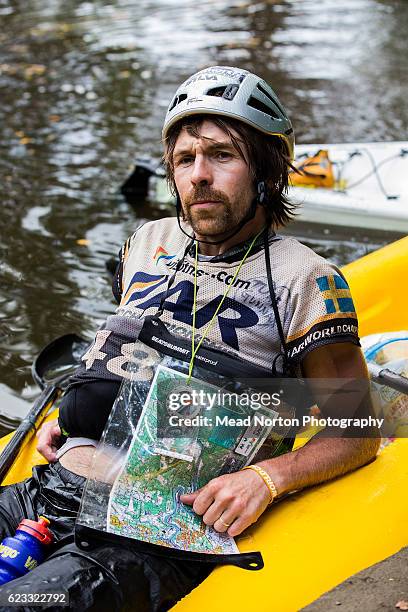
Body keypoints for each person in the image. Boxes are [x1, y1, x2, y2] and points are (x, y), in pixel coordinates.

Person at [0, 66, 379, 610]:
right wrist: (80, 408)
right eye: (184, 159)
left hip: (153, 531)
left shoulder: (307, 281)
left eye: (221, 155)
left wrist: (267, 479)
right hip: (48, 489)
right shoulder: (146, 242)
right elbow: (129, 350)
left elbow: (357, 429)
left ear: (266, 170)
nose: (199, 175)